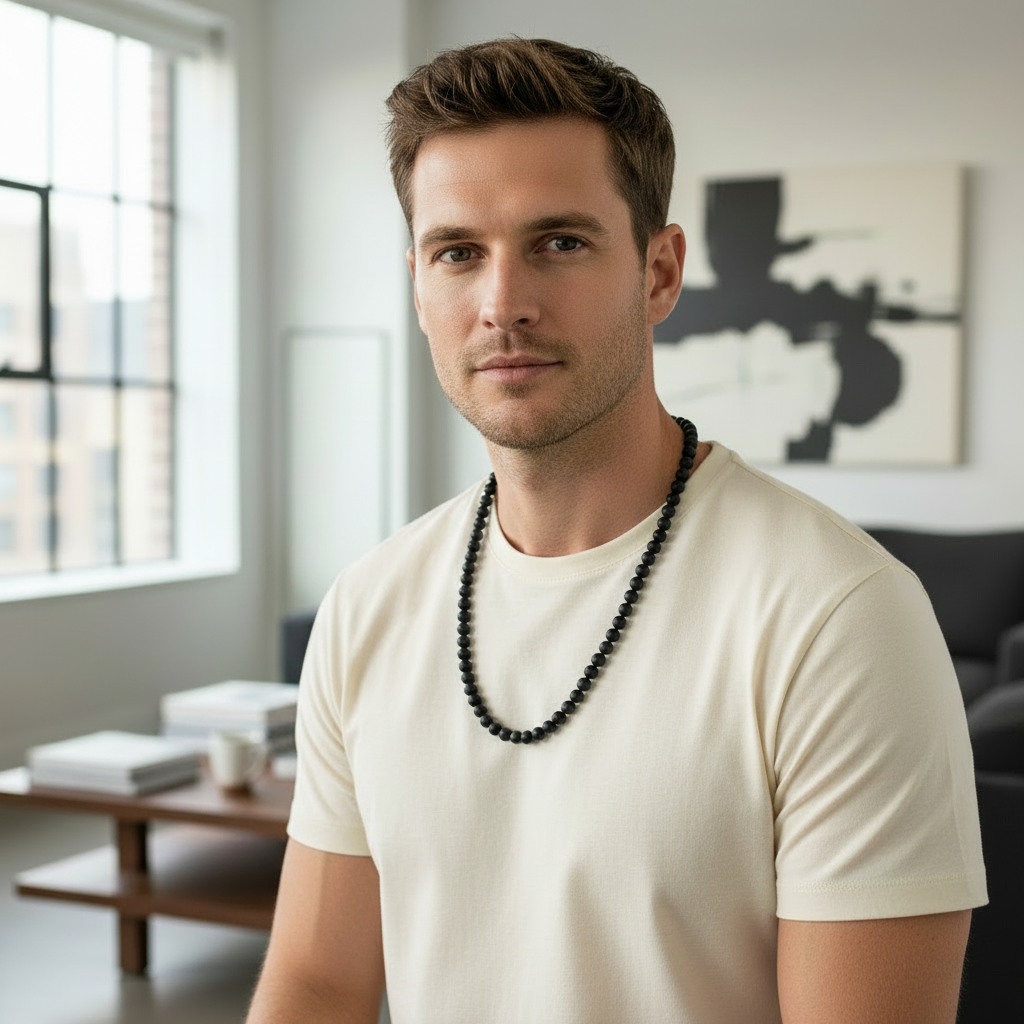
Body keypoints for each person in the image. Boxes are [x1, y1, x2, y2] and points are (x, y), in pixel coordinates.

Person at [247, 38, 986, 1024]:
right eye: (457, 251)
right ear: (419, 284)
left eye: (559, 242)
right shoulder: (369, 602)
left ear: (658, 271)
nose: (502, 304)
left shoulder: (839, 617)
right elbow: (317, 983)